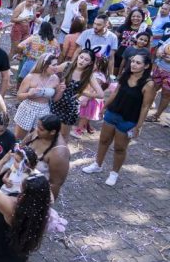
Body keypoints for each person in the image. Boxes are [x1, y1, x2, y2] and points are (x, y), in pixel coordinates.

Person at [83, 52, 154, 186]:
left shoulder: (148, 84)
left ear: (146, 66)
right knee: (103, 140)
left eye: (138, 63)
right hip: (113, 113)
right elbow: (115, 93)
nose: (133, 64)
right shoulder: (126, 74)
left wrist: (138, 126)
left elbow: (145, 107)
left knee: (119, 148)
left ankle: (114, 173)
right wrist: (105, 106)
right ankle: (97, 164)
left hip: (128, 119)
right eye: (133, 61)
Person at [51, 48, 104, 139]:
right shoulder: (67, 65)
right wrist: (55, 84)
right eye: (81, 57)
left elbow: (101, 94)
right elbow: (51, 71)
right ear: (78, 57)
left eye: (86, 60)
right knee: (50, 130)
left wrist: (83, 93)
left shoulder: (88, 75)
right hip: (56, 101)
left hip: (70, 108)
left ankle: (61, 152)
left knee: (63, 135)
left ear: (90, 63)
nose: (82, 61)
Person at [14, 54, 61, 138]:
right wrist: (28, 94)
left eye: (57, 64)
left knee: (36, 138)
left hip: (44, 110)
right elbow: (18, 96)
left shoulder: (55, 79)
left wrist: (60, 91)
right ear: (44, 64)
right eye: (54, 65)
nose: (56, 67)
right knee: (19, 137)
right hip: (28, 109)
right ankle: (15, 150)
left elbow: (55, 99)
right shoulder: (30, 77)